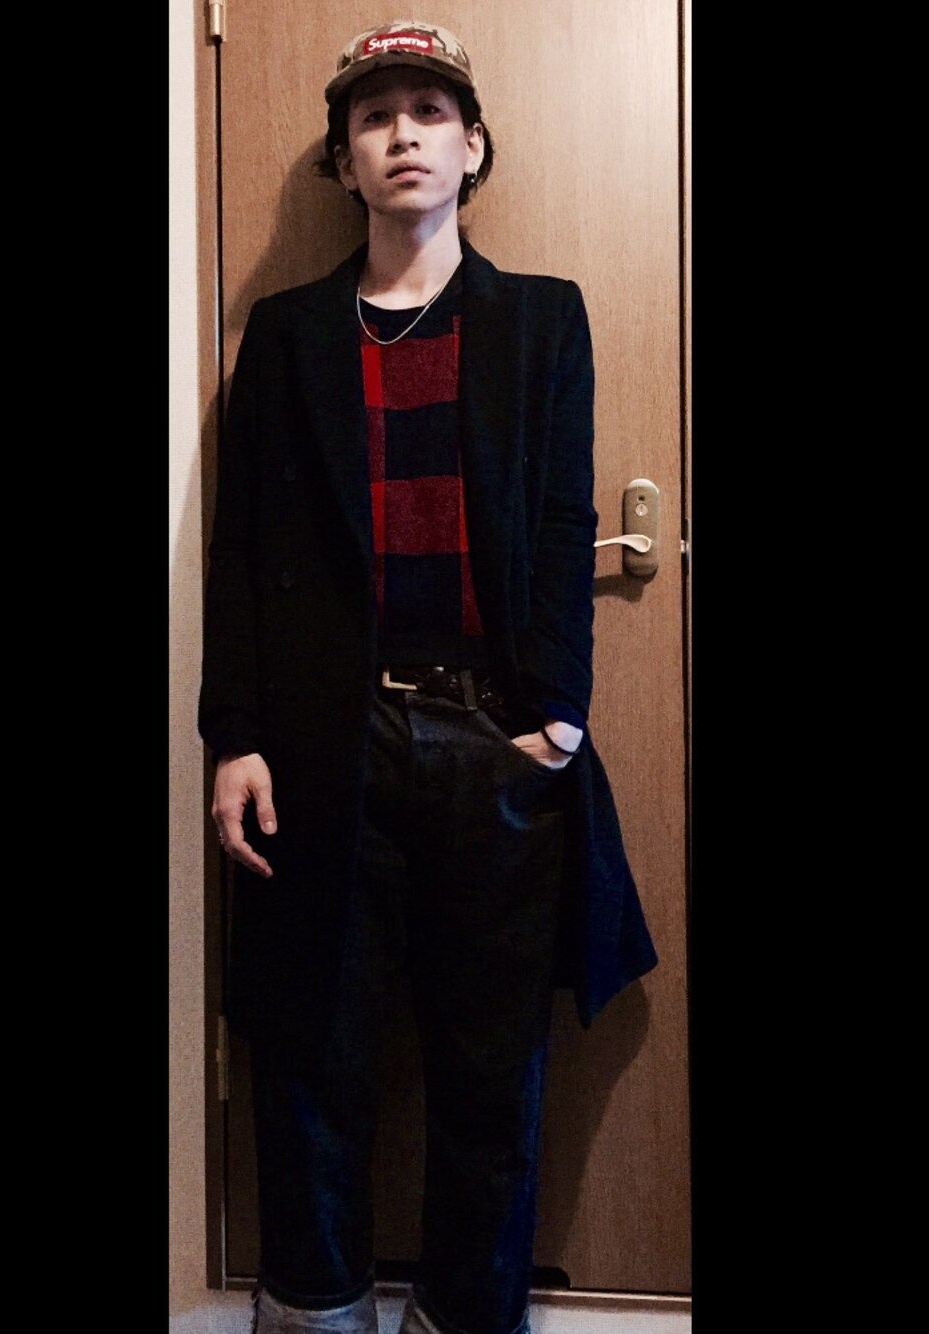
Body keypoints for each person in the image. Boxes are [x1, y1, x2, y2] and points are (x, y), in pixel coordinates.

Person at [198, 19, 658, 1334]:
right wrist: (237, 733)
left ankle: (468, 1313)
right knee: (313, 1051)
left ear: (472, 147)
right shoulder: (288, 334)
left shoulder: (542, 320)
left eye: (429, 111)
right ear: (342, 159)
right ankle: (316, 1306)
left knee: (490, 1068)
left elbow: (564, 522)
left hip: (493, 743)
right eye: (373, 115)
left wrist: (558, 717)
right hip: (324, 743)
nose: (402, 133)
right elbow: (242, 547)